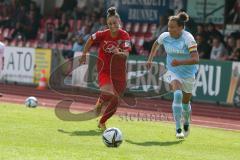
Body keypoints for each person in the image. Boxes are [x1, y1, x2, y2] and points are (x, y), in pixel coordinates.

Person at [146, 12, 199, 139]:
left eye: (173, 27)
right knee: (177, 94)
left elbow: (196, 59)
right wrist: (150, 59)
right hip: (172, 70)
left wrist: (180, 62)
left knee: (186, 102)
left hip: (188, 73)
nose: (169, 30)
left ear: (181, 27)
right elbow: (156, 44)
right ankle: (178, 129)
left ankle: (186, 121)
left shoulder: (188, 39)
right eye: (169, 27)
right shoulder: (165, 36)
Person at [79, 7, 131, 131]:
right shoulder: (102, 34)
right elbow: (90, 40)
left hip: (119, 72)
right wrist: (84, 54)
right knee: (108, 92)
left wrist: (118, 51)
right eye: (110, 23)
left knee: (116, 101)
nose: (113, 25)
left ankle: (102, 122)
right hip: (105, 70)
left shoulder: (125, 36)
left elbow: (126, 55)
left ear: (119, 22)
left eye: (114, 23)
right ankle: (101, 100)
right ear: (107, 24)